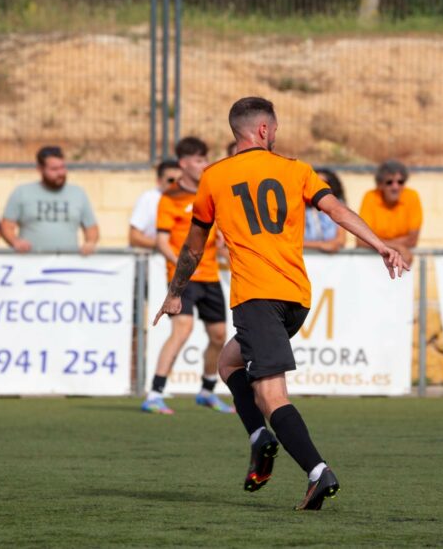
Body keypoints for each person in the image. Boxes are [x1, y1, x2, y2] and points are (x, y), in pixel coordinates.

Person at [152, 97, 408, 511]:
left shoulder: (214, 177)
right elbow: (336, 210)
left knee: (271, 395)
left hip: (257, 297)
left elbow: (194, 246)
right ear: (264, 130)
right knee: (228, 363)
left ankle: (317, 471)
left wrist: (175, 292)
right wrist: (380, 245)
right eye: (276, 127)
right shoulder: (296, 169)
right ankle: (259, 439)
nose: (277, 133)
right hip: (296, 298)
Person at [142, 137, 234, 416]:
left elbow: (216, 227)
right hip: (183, 277)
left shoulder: (210, 192)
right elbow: (162, 242)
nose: (204, 165)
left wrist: (221, 240)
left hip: (210, 275)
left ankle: (207, 391)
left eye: (205, 159)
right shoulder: (169, 197)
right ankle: (155, 394)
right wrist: (183, 266)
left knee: (219, 335)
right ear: (183, 163)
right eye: (198, 160)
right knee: (182, 329)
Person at [0, 146, 99, 255]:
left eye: (62, 167)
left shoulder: (78, 193)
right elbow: (6, 226)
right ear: (40, 169)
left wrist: (90, 243)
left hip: (69, 261)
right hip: (30, 261)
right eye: (54, 169)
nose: (60, 173)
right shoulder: (22, 192)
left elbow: (91, 228)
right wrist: (15, 242)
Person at [357, 160, 422, 265]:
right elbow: (361, 241)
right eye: (389, 182)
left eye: (400, 182)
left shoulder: (412, 196)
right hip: (370, 263)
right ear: (380, 185)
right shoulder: (370, 197)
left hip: (400, 261)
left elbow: (412, 240)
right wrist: (397, 247)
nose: (395, 187)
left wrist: (377, 243)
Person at [129, 159, 182, 248]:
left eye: (180, 180)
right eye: (171, 180)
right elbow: (134, 237)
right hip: (153, 255)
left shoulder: (191, 198)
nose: (176, 184)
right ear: (159, 181)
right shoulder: (149, 198)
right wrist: (166, 247)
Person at [303, 168, 346, 252]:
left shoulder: (338, 207)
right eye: (315, 184)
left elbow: (341, 240)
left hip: (330, 258)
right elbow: (294, 241)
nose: (318, 188)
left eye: (324, 184)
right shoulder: (300, 207)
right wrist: (320, 245)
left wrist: (332, 244)